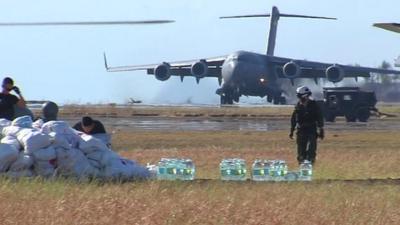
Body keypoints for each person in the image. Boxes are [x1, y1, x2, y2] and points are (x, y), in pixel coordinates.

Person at [289, 86, 324, 165]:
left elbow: (319, 117)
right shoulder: (298, 106)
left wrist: (321, 129)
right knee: (301, 150)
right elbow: (294, 119)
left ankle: (310, 163)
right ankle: (302, 164)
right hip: (301, 130)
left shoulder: (314, 105)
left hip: (311, 129)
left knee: (312, 148)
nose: (300, 98)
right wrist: (292, 130)